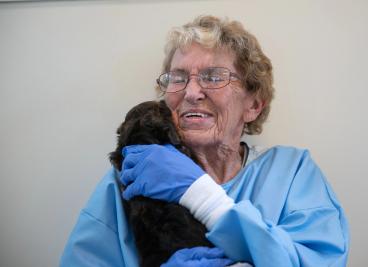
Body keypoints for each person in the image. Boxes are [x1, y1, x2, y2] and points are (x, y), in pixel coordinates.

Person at [60, 15, 349, 267]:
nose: (191, 92)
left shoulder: (291, 171)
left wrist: (201, 195)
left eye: (213, 77)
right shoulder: (133, 176)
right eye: (178, 77)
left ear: (253, 105)